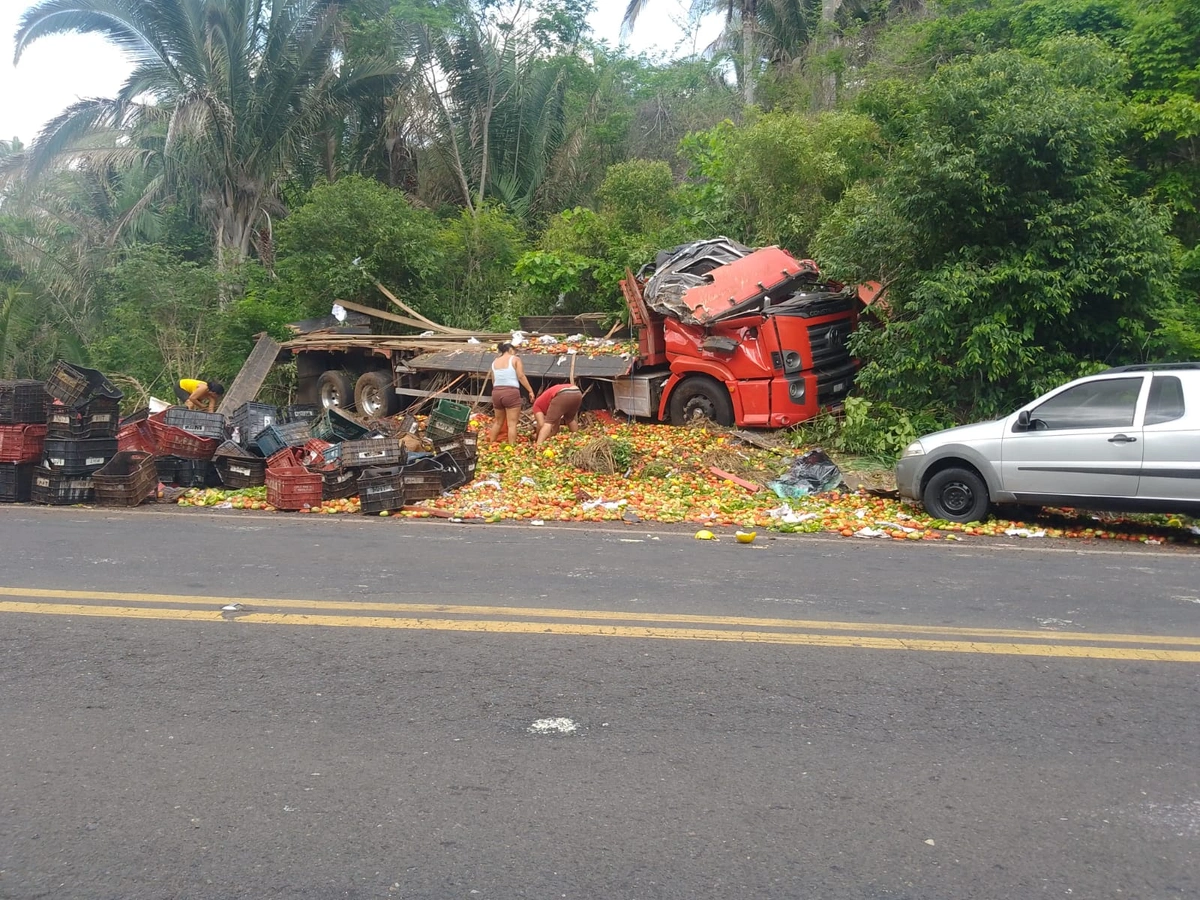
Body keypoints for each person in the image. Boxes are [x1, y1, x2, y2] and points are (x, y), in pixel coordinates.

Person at [486, 342, 535, 445]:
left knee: (498, 422)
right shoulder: (515, 359)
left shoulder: (495, 362)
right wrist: (530, 390)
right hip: (511, 392)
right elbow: (521, 376)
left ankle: (490, 444)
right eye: (515, 351)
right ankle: (511, 447)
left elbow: (493, 380)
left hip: (497, 392)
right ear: (510, 350)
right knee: (512, 424)